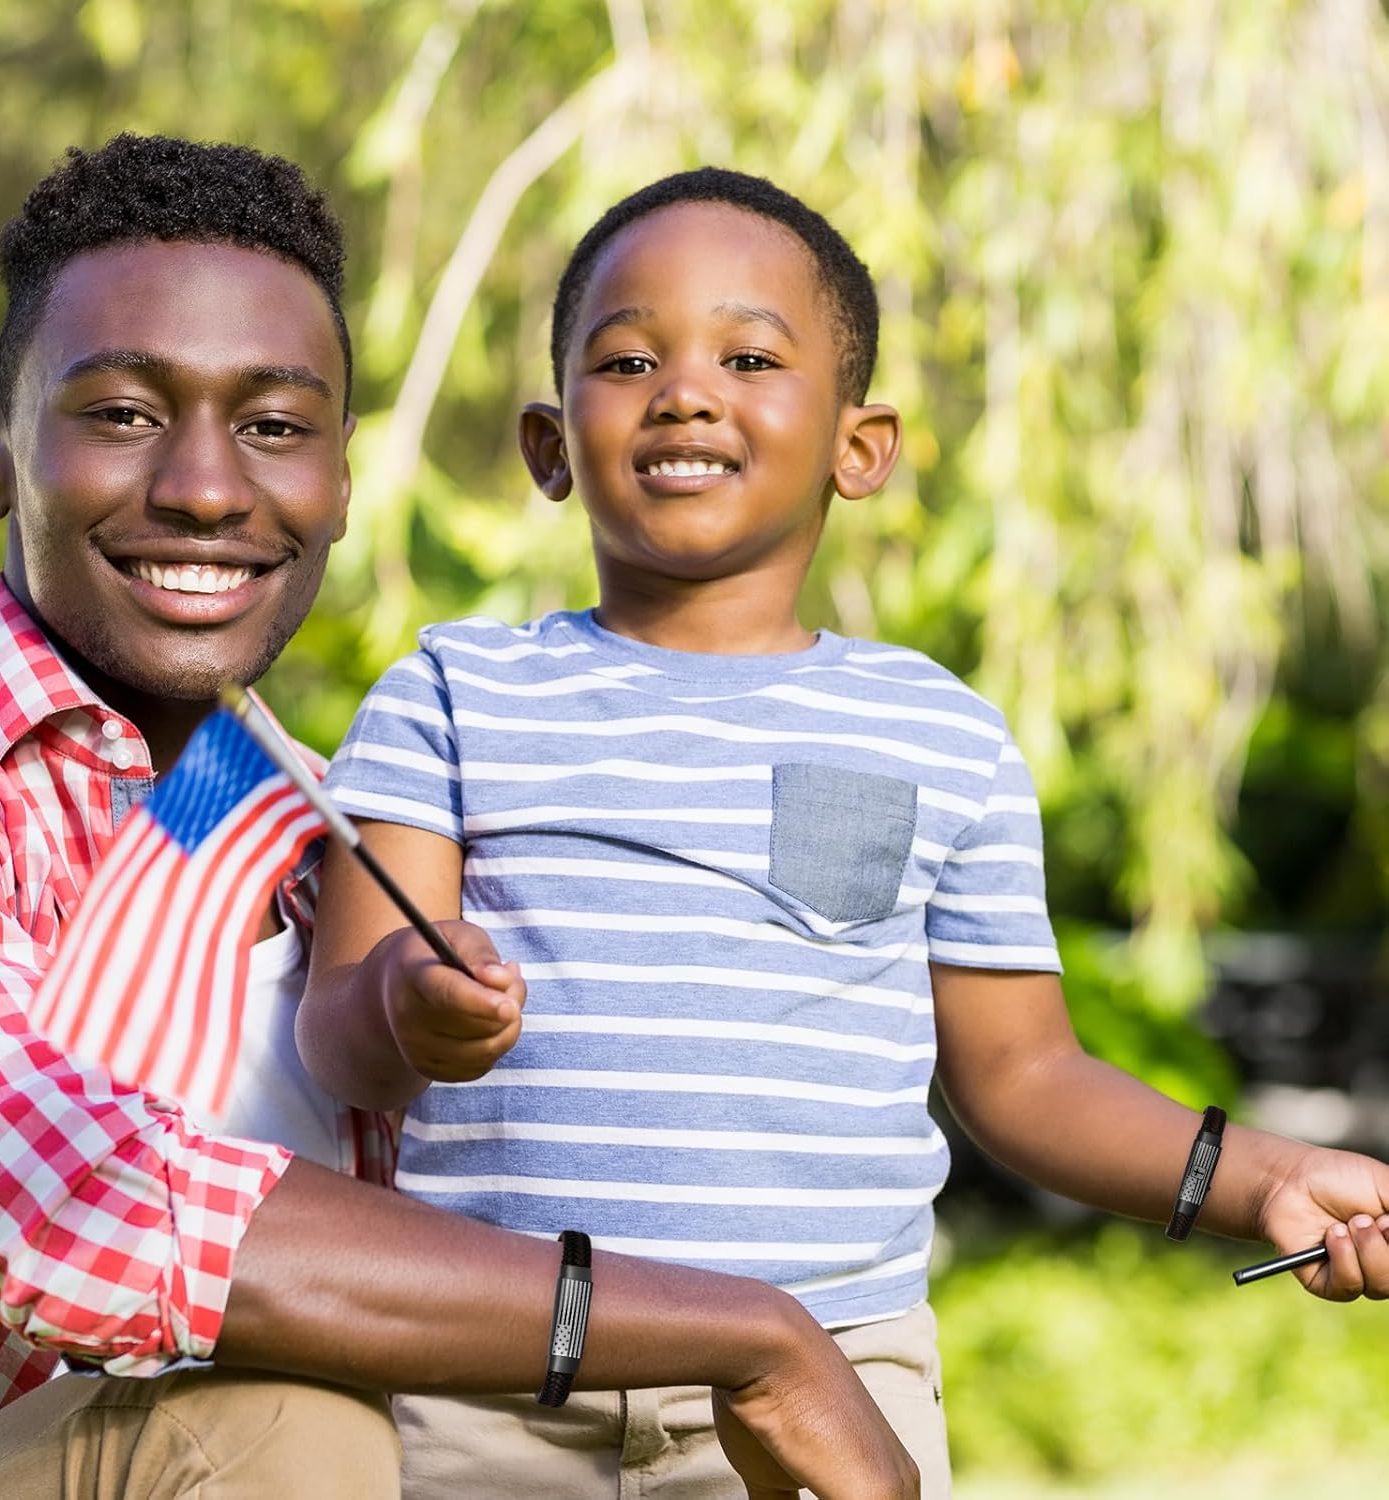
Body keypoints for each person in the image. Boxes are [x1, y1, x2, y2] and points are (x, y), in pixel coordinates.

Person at [301, 167, 1389, 1499]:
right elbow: (338, 1038)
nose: (685, 390)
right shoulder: (453, 694)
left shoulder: (938, 736)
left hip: (829, 1381)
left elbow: (1024, 1080)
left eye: (749, 355)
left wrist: (1260, 1175)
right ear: (548, 442)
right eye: (629, 358)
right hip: (483, 1382)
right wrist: (410, 1007)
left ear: (858, 446)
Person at [0, 136, 921, 1499]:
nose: (205, 486)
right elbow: (58, 1198)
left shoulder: (329, 840)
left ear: (342, 478)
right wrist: (747, 1332)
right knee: (284, 1423)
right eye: (125, 414)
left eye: (273, 427)